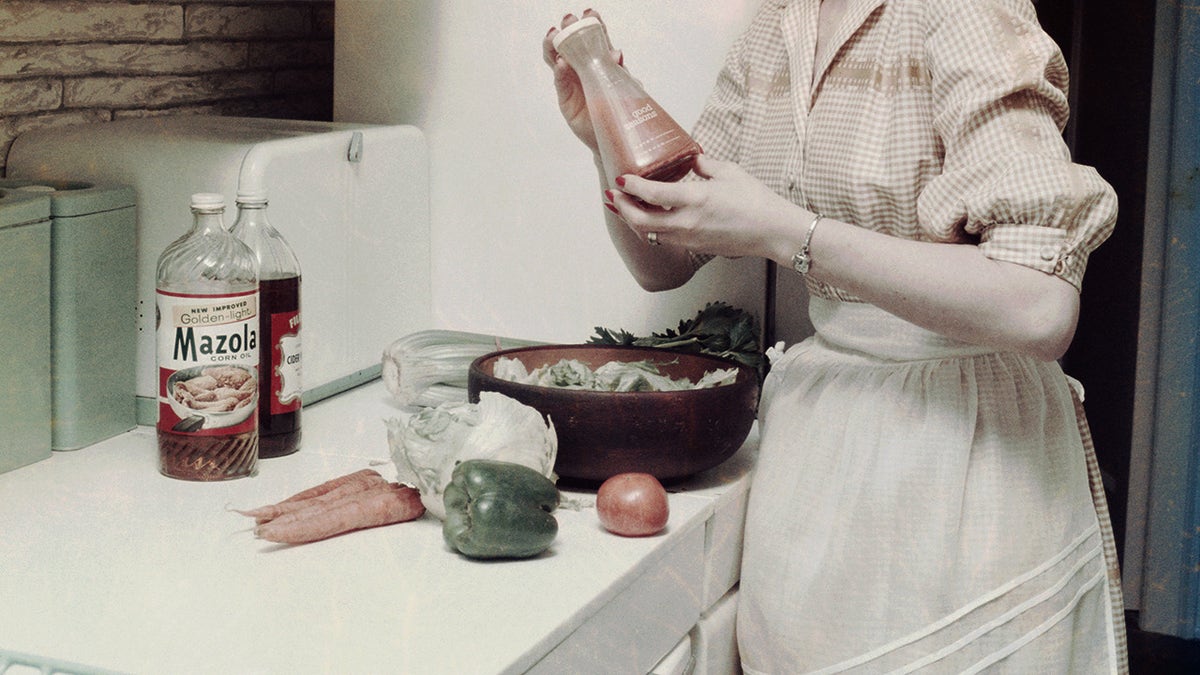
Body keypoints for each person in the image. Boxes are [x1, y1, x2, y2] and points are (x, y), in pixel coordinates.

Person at [544, 1, 1126, 673]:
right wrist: (604, 138)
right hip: (819, 441)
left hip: (961, 447)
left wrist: (785, 231)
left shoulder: (962, 9)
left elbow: (1040, 306)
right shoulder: (776, 25)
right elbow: (662, 263)